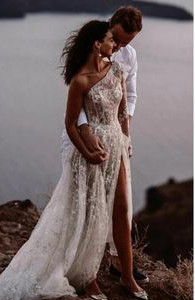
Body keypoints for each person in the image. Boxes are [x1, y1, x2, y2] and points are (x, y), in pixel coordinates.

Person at [0, 20, 148, 300]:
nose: (115, 45)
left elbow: (122, 112)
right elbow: (70, 124)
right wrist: (87, 150)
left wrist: (125, 140)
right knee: (89, 212)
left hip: (114, 146)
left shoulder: (117, 70)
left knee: (119, 208)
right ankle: (88, 277)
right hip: (89, 153)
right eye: (111, 39)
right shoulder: (80, 80)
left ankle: (127, 276)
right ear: (97, 43)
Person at [61, 6, 149, 284]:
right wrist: (87, 134)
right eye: (118, 39)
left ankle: (119, 263)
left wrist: (125, 132)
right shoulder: (92, 50)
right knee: (86, 203)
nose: (122, 46)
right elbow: (77, 104)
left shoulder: (127, 56)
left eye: (128, 42)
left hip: (115, 135)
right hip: (84, 134)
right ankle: (83, 268)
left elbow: (129, 96)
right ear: (110, 27)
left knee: (122, 202)